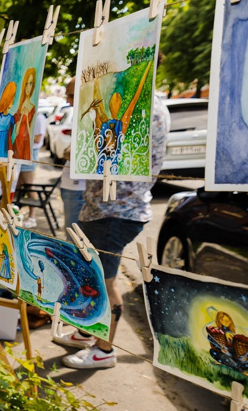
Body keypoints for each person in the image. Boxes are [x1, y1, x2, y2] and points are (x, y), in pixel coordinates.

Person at [59, 91, 170, 369]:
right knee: (95, 277)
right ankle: (88, 333)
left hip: (115, 211)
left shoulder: (144, 108)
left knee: (106, 283)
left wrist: (79, 148)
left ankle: (104, 350)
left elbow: (98, 150)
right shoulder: (149, 104)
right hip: (110, 208)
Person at [58, 78, 85, 227]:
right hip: (73, 186)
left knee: (74, 236)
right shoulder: (80, 116)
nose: (68, 101)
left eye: (71, 96)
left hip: (78, 188)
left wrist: (68, 152)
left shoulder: (88, 117)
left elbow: (73, 154)